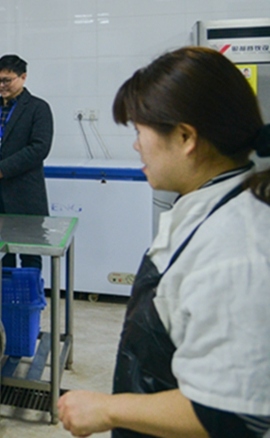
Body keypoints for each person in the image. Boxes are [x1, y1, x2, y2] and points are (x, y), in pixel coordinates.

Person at [58, 47, 270, 438]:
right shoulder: (209, 204)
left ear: (186, 137)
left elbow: (233, 416)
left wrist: (107, 409)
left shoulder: (235, 247)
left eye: (140, 132)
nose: (136, 145)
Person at [0, 54, 53, 271]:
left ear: (23, 77)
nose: (1, 86)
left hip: (25, 192)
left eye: (7, 80)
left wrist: (3, 169)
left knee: (30, 252)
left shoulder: (38, 108)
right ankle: (4, 291)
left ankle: (28, 292)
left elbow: (39, 148)